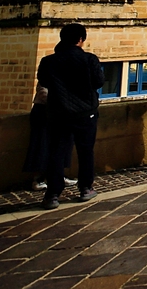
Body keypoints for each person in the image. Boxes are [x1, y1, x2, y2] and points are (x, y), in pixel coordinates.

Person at [38, 23, 104, 209]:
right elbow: (99, 82)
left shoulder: (49, 61)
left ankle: (52, 194)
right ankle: (85, 188)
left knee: (56, 154)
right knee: (85, 152)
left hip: (58, 113)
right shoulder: (89, 60)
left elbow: (44, 81)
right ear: (81, 40)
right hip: (86, 113)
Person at [22, 83, 74, 192]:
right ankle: (38, 179)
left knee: (63, 145)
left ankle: (59, 175)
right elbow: (42, 91)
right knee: (41, 145)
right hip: (44, 111)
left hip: (62, 111)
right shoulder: (48, 68)